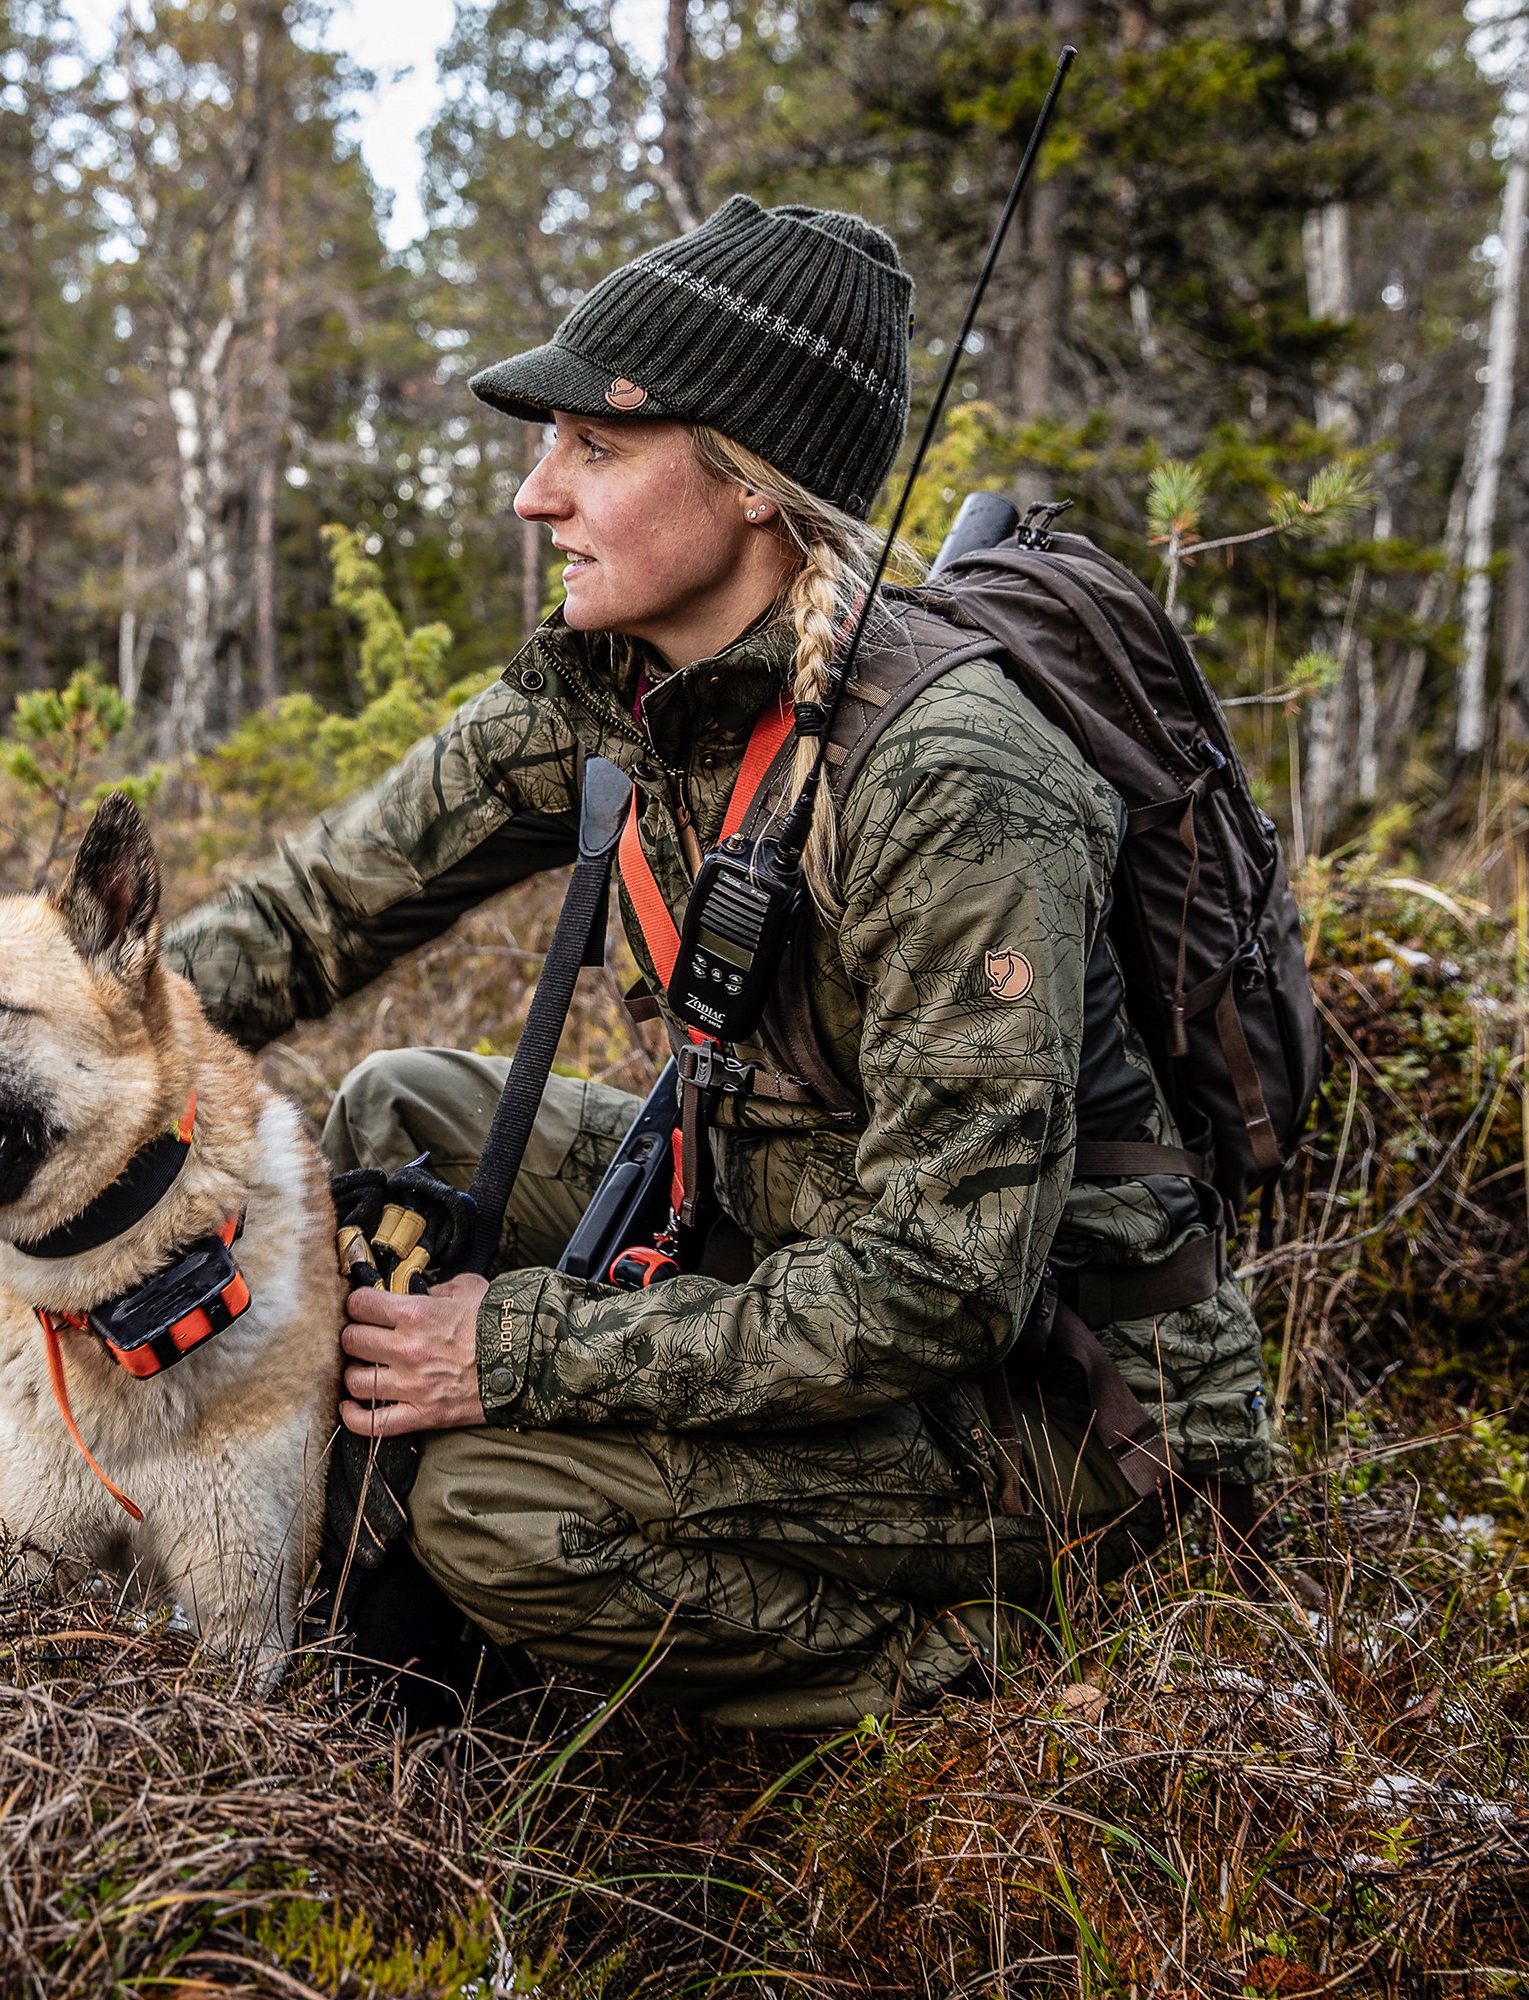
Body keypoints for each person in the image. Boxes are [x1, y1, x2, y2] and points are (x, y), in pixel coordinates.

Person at [164, 196, 1271, 1729]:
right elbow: (308, 916)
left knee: (503, 1500)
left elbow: (946, 1286)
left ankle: (969, 1688)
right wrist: (22, 1090)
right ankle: (427, 1593)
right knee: (398, 1108)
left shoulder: (952, 780)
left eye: (594, 449)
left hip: (1066, 1395)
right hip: (788, 1209)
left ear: (753, 483)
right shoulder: (619, 687)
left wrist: (534, 1351)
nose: (533, 498)